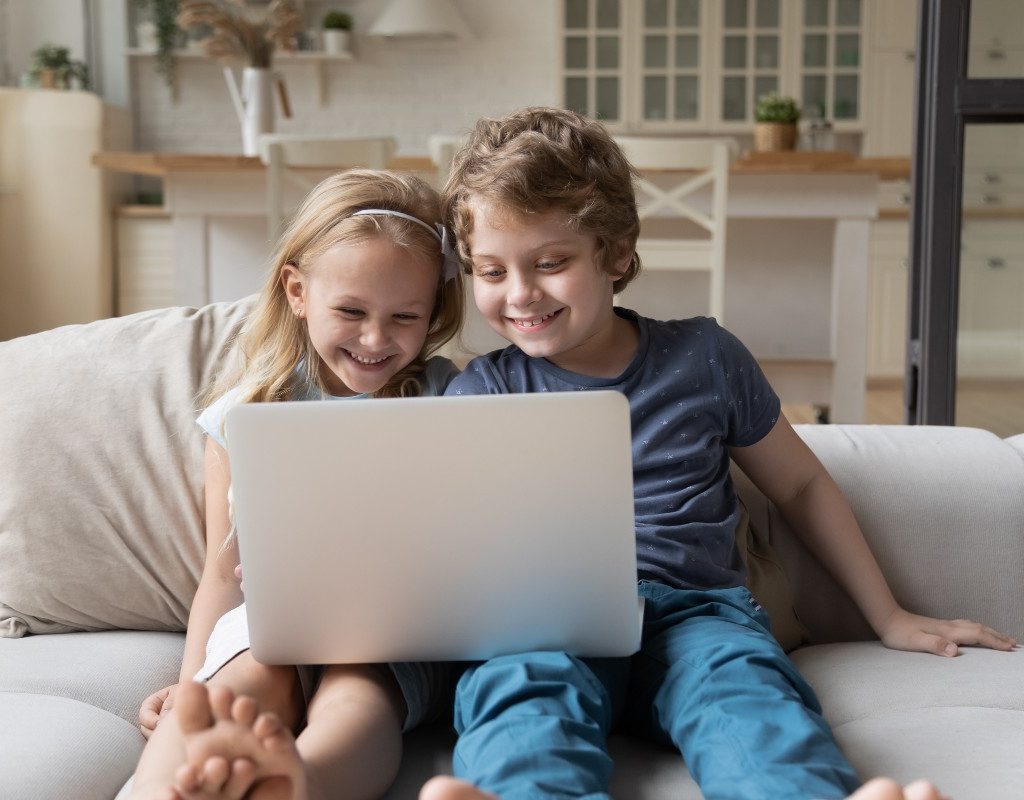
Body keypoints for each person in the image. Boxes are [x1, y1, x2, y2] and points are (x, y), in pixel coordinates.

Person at [419, 107, 1016, 800]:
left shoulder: (704, 356)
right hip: (549, 620)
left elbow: (800, 486)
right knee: (522, 689)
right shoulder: (483, 389)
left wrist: (888, 614)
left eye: (551, 263)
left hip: (697, 615)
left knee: (745, 700)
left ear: (617, 252)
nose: (521, 293)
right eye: (491, 270)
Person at [126, 168, 465, 800]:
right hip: (273, 616)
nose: (375, 338)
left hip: (391, 624)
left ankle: (297, 784)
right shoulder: (247, 411)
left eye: (404, 316)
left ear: (433, 313)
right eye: (351, 311)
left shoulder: (450, 395)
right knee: (229, 693)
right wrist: (192, 679)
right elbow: (222, 574)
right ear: (298, 291)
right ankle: (159, 789)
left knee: (357, 700)